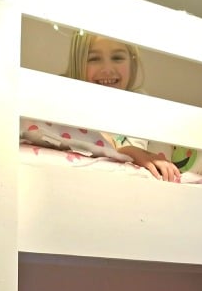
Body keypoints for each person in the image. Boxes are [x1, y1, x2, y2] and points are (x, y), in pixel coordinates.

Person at [63, 32, 180, 182]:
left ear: (132, 62)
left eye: (117, 58)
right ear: (77, 62)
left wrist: (129, 151)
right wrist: (125, 150)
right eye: (94, 59)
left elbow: (137, 148)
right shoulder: (65, 94)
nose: (107, 69)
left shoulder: (138, 104)